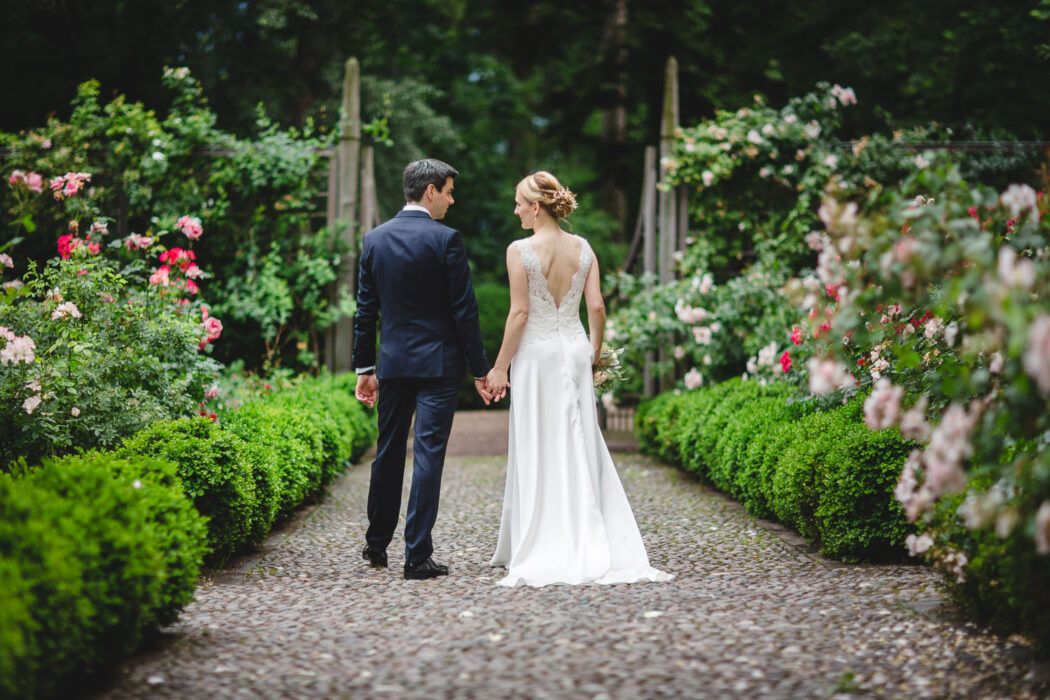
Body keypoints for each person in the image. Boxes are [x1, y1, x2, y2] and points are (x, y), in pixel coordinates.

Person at [485, 171, 673, 587]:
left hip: (534, 357)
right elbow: (598, 307)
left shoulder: (519, 250)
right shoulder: (584, 248)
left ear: (536, 207)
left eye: (519, 203)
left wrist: (499, 367)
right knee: (579, 439)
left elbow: (519, 314)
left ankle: (539, 539)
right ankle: (588, 531)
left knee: (539, 442)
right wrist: (593, 352)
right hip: (573, 353)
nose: (515, 210)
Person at [353, 158, 493, 580]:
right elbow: (464, 312)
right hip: (438, 366)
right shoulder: (446, 240)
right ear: (430, 190)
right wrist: (480, 370)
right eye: (449, 191)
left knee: (389, 450)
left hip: (393, 365)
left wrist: (365, 367)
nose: (452, 200)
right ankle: (417, 556)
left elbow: (366, 312)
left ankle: (376, 545)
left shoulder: (373, 239)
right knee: (428, 453)